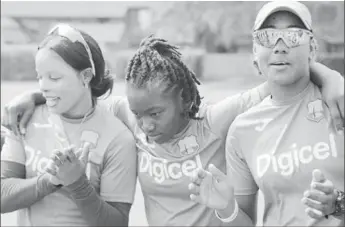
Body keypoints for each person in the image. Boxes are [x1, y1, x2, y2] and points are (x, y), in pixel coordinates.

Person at [1, 33, 343, 226]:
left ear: (183, 99)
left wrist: (332, 79)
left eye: (156, 113)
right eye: (140, 114)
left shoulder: (215, 121)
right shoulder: (127, 115)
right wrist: (31, 96)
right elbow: (81, 97)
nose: (146, 126)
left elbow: (279, 76)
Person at [188, 1, 344, 226]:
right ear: (254, 52)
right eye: (267, 37)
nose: (279, 46)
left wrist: (338, 204)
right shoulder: (242, 130)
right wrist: (227, 208)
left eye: (293, 35)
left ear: (312, 48)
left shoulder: (339, 103)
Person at [1, 24, 137, 226]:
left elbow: (117, 222)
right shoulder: (24, 120)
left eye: (54, 77)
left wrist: (78, 184)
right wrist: (50, 181)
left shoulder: (118, 139)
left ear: (86, 76)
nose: (43, 86)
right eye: (40, 76)